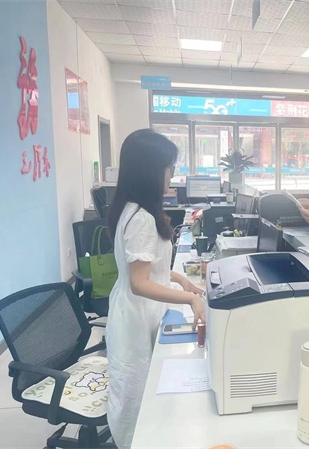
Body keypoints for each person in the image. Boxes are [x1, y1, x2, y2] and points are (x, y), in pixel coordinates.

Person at [106, 129, 206, 449]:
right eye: (169, 168)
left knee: (145, 390)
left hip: (137, 310)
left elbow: (149, 268)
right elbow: (139, 283)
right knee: (138, 399)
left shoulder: (134, 208)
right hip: (137, 316)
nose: (172, 175)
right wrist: (189, 298)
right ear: (150, 170)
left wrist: (181, 279)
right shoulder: (141, 219)